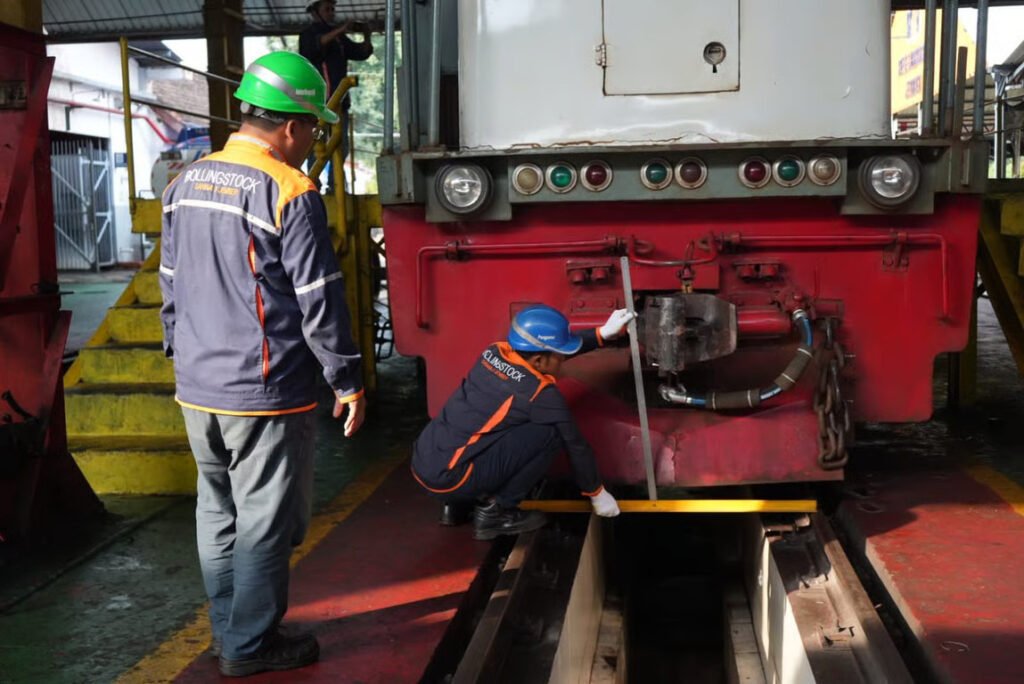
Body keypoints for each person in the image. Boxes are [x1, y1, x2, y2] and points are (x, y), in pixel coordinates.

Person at [159, 51, 366, 677]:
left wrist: (180, 353)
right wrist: (346, 378)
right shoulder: (289, 190)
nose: (312, 143)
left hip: (197, 386)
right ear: (292, 126)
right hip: (262, 389)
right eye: (313, 130)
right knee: (265, 522)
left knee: (217, 510)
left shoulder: (184, 182)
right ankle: (250, 646)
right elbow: (317, 297)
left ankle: (231, 631)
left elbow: (170, 282)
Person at [411, 305, 634, 541]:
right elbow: (577, 446)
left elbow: (542, 355)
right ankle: (496, 512)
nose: (562, 361)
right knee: (551, 434)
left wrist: (601, 335)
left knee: (484, 425)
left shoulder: (494, 353)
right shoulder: (541, 394)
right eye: (560, 356)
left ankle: (454, 506)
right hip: (452, 480)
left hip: (423, 461)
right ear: (538, 360)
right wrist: (596, 493)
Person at [298, 0, 373, 185]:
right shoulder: (307, 35)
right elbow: (316, 46)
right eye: (327, 9)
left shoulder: (339, 39)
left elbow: (361, 53)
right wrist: (342, 29)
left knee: (341, 146)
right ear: (315, 12)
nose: (332, 12)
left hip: (339, 103)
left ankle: (336, 185)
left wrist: (367, 34)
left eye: (333, 9)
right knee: (316, 146)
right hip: (317, 105)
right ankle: (313, 186)